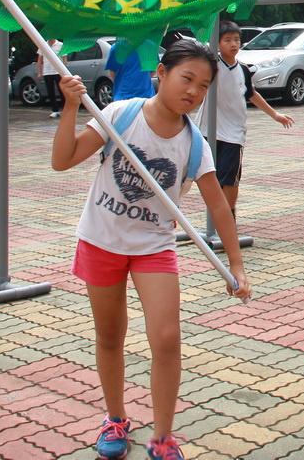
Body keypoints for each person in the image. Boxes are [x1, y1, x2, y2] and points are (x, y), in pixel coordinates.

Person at [51, 39, 250, 460]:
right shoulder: (120, 115)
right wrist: (70, 104)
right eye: (186, 78)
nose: (193, 91)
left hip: (154, 247)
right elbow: (62, 160)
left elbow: (219, 205)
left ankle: (162, 436)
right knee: (110, 336)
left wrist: (237, 265)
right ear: (161, 73)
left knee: (167, 338)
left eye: (203, 85)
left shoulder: (195, 145)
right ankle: (115, 418)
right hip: (101, 240)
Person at [215, 22, 294, 218]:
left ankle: (228, 220)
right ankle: (215, 221)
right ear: (217, 44)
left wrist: (275, 115)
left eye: (236, 40)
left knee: (230, 178)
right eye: (228, 40)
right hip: (210, 131)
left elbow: (252, 94)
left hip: (234, 133)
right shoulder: (211, 66)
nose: (234, 44)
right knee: (212, 179)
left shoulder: (242, 69)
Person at [37, 38, 65, 118]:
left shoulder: (60, 45)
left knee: (62, 91)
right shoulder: (43, 44)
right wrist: (39, 72)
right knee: (50, 92)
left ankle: (65, 109)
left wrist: (64, 72)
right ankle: (55, 110)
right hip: (47, 71)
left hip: (58, 71)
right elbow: (39, 60)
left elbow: (64, 58)